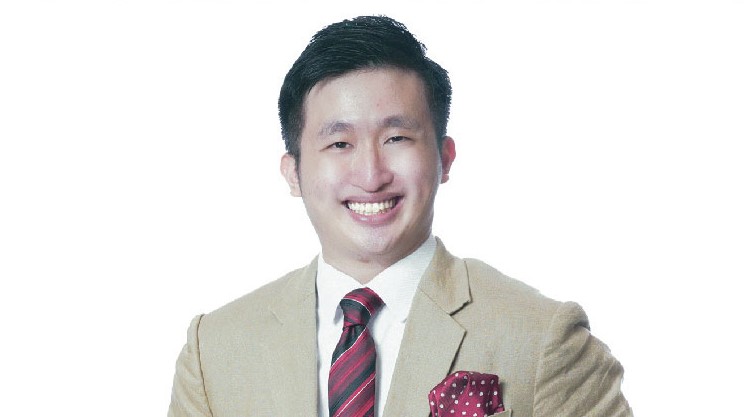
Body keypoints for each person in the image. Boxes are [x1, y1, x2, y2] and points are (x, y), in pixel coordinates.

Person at [168, 15, 632, 417]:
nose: (371, 175)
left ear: (444, 158)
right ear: (293, 172)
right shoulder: (215, 351)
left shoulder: (542, 339)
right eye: (339, 143)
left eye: (397, 139)